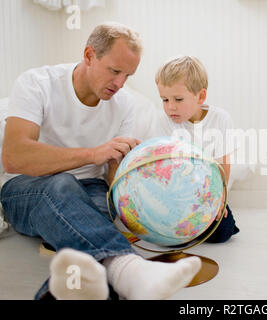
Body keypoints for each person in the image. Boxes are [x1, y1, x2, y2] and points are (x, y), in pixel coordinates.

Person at [0, 22, 201, 300]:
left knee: (96, 228)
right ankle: (130, 269)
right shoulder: (37, 83)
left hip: (92, 188)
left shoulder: (125, 104)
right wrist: (92, 153)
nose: (119, 83)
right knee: (61, 184)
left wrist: (138, 177)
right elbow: (14, 157)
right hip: (27, 189)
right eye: (114, 71)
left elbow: (112, 177)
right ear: (89, 55)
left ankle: (75, 289)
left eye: (128, 75)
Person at [153, 56, 240, 243]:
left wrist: (220, 199)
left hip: (208, 192)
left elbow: (223, 164)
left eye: (178, 99)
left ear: (200, 96)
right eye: (164, 99)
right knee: (166, 230)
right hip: (176, 192)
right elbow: (162, 167)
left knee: (222, 233)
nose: (170, 107)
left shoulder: (220, 119)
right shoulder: (162, 121)